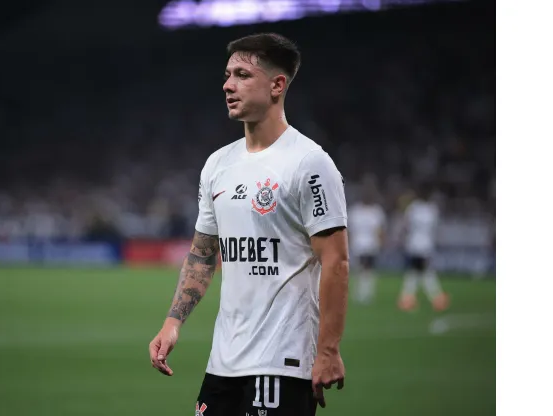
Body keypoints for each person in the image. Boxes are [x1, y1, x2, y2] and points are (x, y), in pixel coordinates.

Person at [148, 33, 350, 416]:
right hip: (223, 363)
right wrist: (172, 323)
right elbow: (202, 255)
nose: (227, 84)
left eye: (242, 74)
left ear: (277, 85)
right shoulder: (217, 165)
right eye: (227, 74)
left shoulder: (309, 163)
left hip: (282, 362)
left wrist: (327, 351)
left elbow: (336, 261)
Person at [397, 184, 449, 311]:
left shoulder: (413, 208)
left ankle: (409, 298)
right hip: (426, 245)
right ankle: (434, 298)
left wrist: (403, 239)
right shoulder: (432, 209)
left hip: (414, 244)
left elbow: (406, 226)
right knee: (422, 271)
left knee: (416, 271)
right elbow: (436, 229)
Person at [348, 186, 386, 304]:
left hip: (371, 245)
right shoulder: (355, 211)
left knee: (368, 271)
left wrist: (380, 243)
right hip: (358, 245)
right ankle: (359, 293)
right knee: (360, 270)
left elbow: (380, 230)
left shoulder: (376, 211)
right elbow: (349, 230)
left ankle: (367, 294)